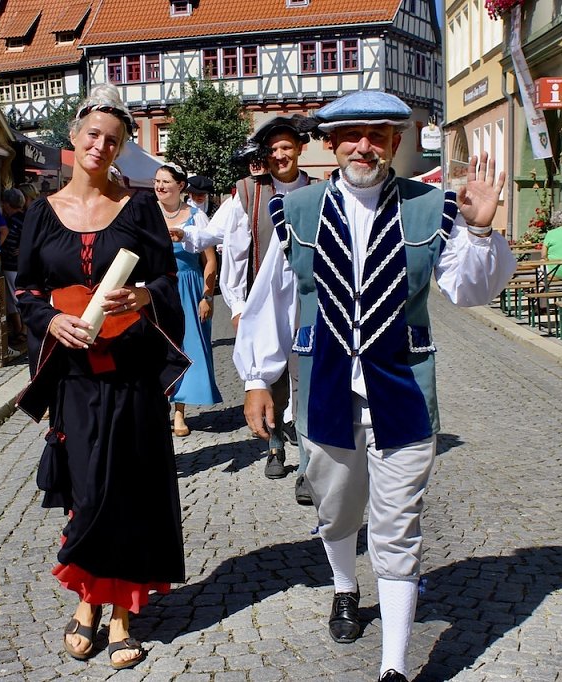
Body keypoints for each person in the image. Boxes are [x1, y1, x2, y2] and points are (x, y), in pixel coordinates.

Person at [233, 91, 516, 682]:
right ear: (331, 143)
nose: (364, 146)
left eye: (378, 135)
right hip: (325, 390)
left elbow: (468, 289)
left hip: (404, 390)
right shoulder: (298, 210)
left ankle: (394, 667)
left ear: (395, 142)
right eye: (352, 135)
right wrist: (258, 378)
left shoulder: (428, 207)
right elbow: (275, 298)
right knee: (336, 511)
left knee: (397, 529)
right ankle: (344, 586)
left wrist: (480, 230)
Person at [14, 84, 187, 672]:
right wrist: (51, 319)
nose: (101, 146)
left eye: (113, 141)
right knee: (86, 492)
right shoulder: (42, 214)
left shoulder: (139, 209)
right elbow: (25, 291)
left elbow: (165, 281)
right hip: (75, 379)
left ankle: (120, 615)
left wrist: (142, 296)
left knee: (129, 490)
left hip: (131, 377)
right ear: (74, 136)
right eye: (93, 135)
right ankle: (87, 599)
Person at [212, 114, 314, 495]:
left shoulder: (319, 192)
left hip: (308, 300)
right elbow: (236, 252)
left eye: (286, 147)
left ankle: (309, 466)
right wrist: (238, 306)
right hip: (264, 301)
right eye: (273, 150)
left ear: (299, 149)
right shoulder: (249, 193)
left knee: (308, 381)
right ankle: (275, 447)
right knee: (271, 379)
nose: (280, 155)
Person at [154, 163, 223, 436]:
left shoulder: (196, 217)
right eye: (157, 181)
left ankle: (179, 412)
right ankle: (158, 407)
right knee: (158, 349)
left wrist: (208, 296)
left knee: (188, 348)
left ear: (180, 185)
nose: (160, 186)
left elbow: (210, 261)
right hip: (157, 290)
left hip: (189, 287)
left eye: (165, 181)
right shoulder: (147, 214)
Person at [0, 187, 27, 347]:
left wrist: (22, 249)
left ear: (8, 204)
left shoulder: (14, 221)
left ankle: (22, 330)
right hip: (16, 265)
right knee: (15, 298)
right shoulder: (24, 218)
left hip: (13, 265)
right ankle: (20, 330)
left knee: (15, 298)